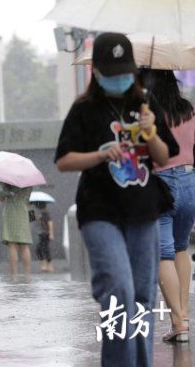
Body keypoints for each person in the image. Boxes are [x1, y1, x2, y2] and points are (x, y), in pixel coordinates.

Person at [55, 33, 178, 367]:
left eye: (126, 72)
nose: (121, 79)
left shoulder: (146, 105)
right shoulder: (84, 110)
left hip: (143, 211)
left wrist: (151, 133)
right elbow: (64, 160)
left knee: (141, 300)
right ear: (97, 72)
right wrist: (99, 155)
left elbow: (164, 157)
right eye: (113, 72)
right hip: (100, 212)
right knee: (118, 290)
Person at [140, 69, 195, 342]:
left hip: (160, 185)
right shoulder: (187, 110)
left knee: (163, 254)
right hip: (189, 180)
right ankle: (183, 314)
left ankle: (178, 324)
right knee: (181, 247)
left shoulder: (147, 114)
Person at [0, 182, 33, 277]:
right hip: (23, 211)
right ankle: (27, 274)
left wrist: (3, 186)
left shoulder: (8, 180)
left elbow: (1, 197)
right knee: (24, 244)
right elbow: (27, 198)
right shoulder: (28, 180)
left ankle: (14, 274)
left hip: (12, 211)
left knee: (12, 243)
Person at [32, 201, 54, 273]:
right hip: (41, 234)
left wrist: (51, 234)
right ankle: (45, 265)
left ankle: (48, 266)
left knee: (44, 249)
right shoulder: (40, 214)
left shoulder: (45, 214)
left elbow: (50, 223)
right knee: (40, 249)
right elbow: (36, 222)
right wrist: (38, 218)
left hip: (45, 234)